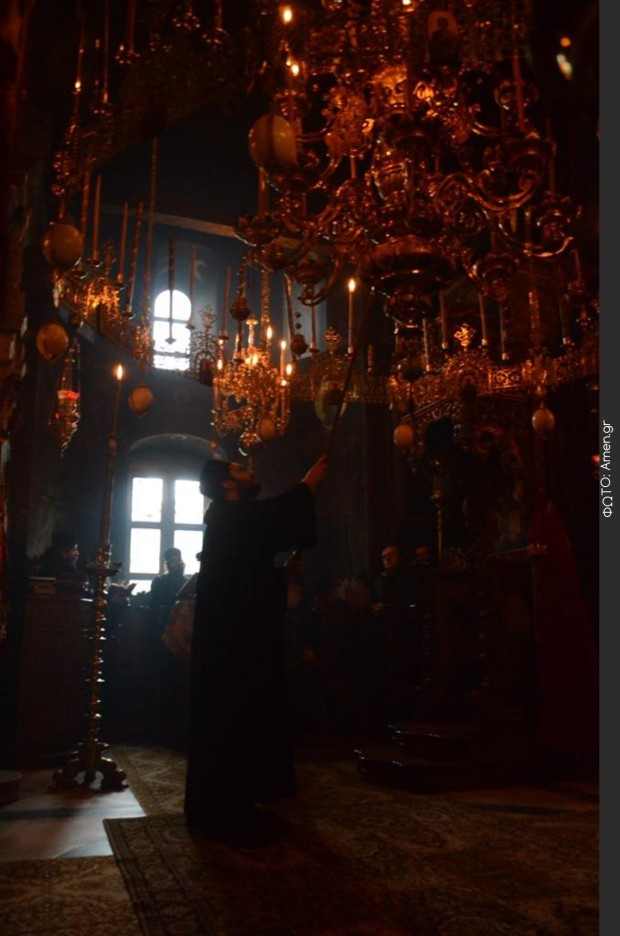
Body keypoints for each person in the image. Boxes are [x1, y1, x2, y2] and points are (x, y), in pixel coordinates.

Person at [184, 453, 328, 842]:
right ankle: (230, 805)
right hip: (234, 648)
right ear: (227, 483)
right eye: (239, 469)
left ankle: (240, 799)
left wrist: (279, 575)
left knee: (244, 712)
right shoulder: (232, 517)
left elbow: (246, 575)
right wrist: (308, 483)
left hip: (237, 641)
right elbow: (274, 517)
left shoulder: (230, 520)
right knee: (238, 711)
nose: (249, 472)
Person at [371, 544, 415, 614]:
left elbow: (414, 604)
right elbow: (375, 599)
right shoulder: (380, 580)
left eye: (391, 555)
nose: (387, 558)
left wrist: (390, 607)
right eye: (384, 557)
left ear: (400, 558)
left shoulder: (410, 578)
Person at [148, 547, 188, 616]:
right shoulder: (158, 581)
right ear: (168, 564)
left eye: (179, 560)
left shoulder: (185, 581)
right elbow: (156, 603)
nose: (177, 563)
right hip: (165, 616)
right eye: (173, 561)